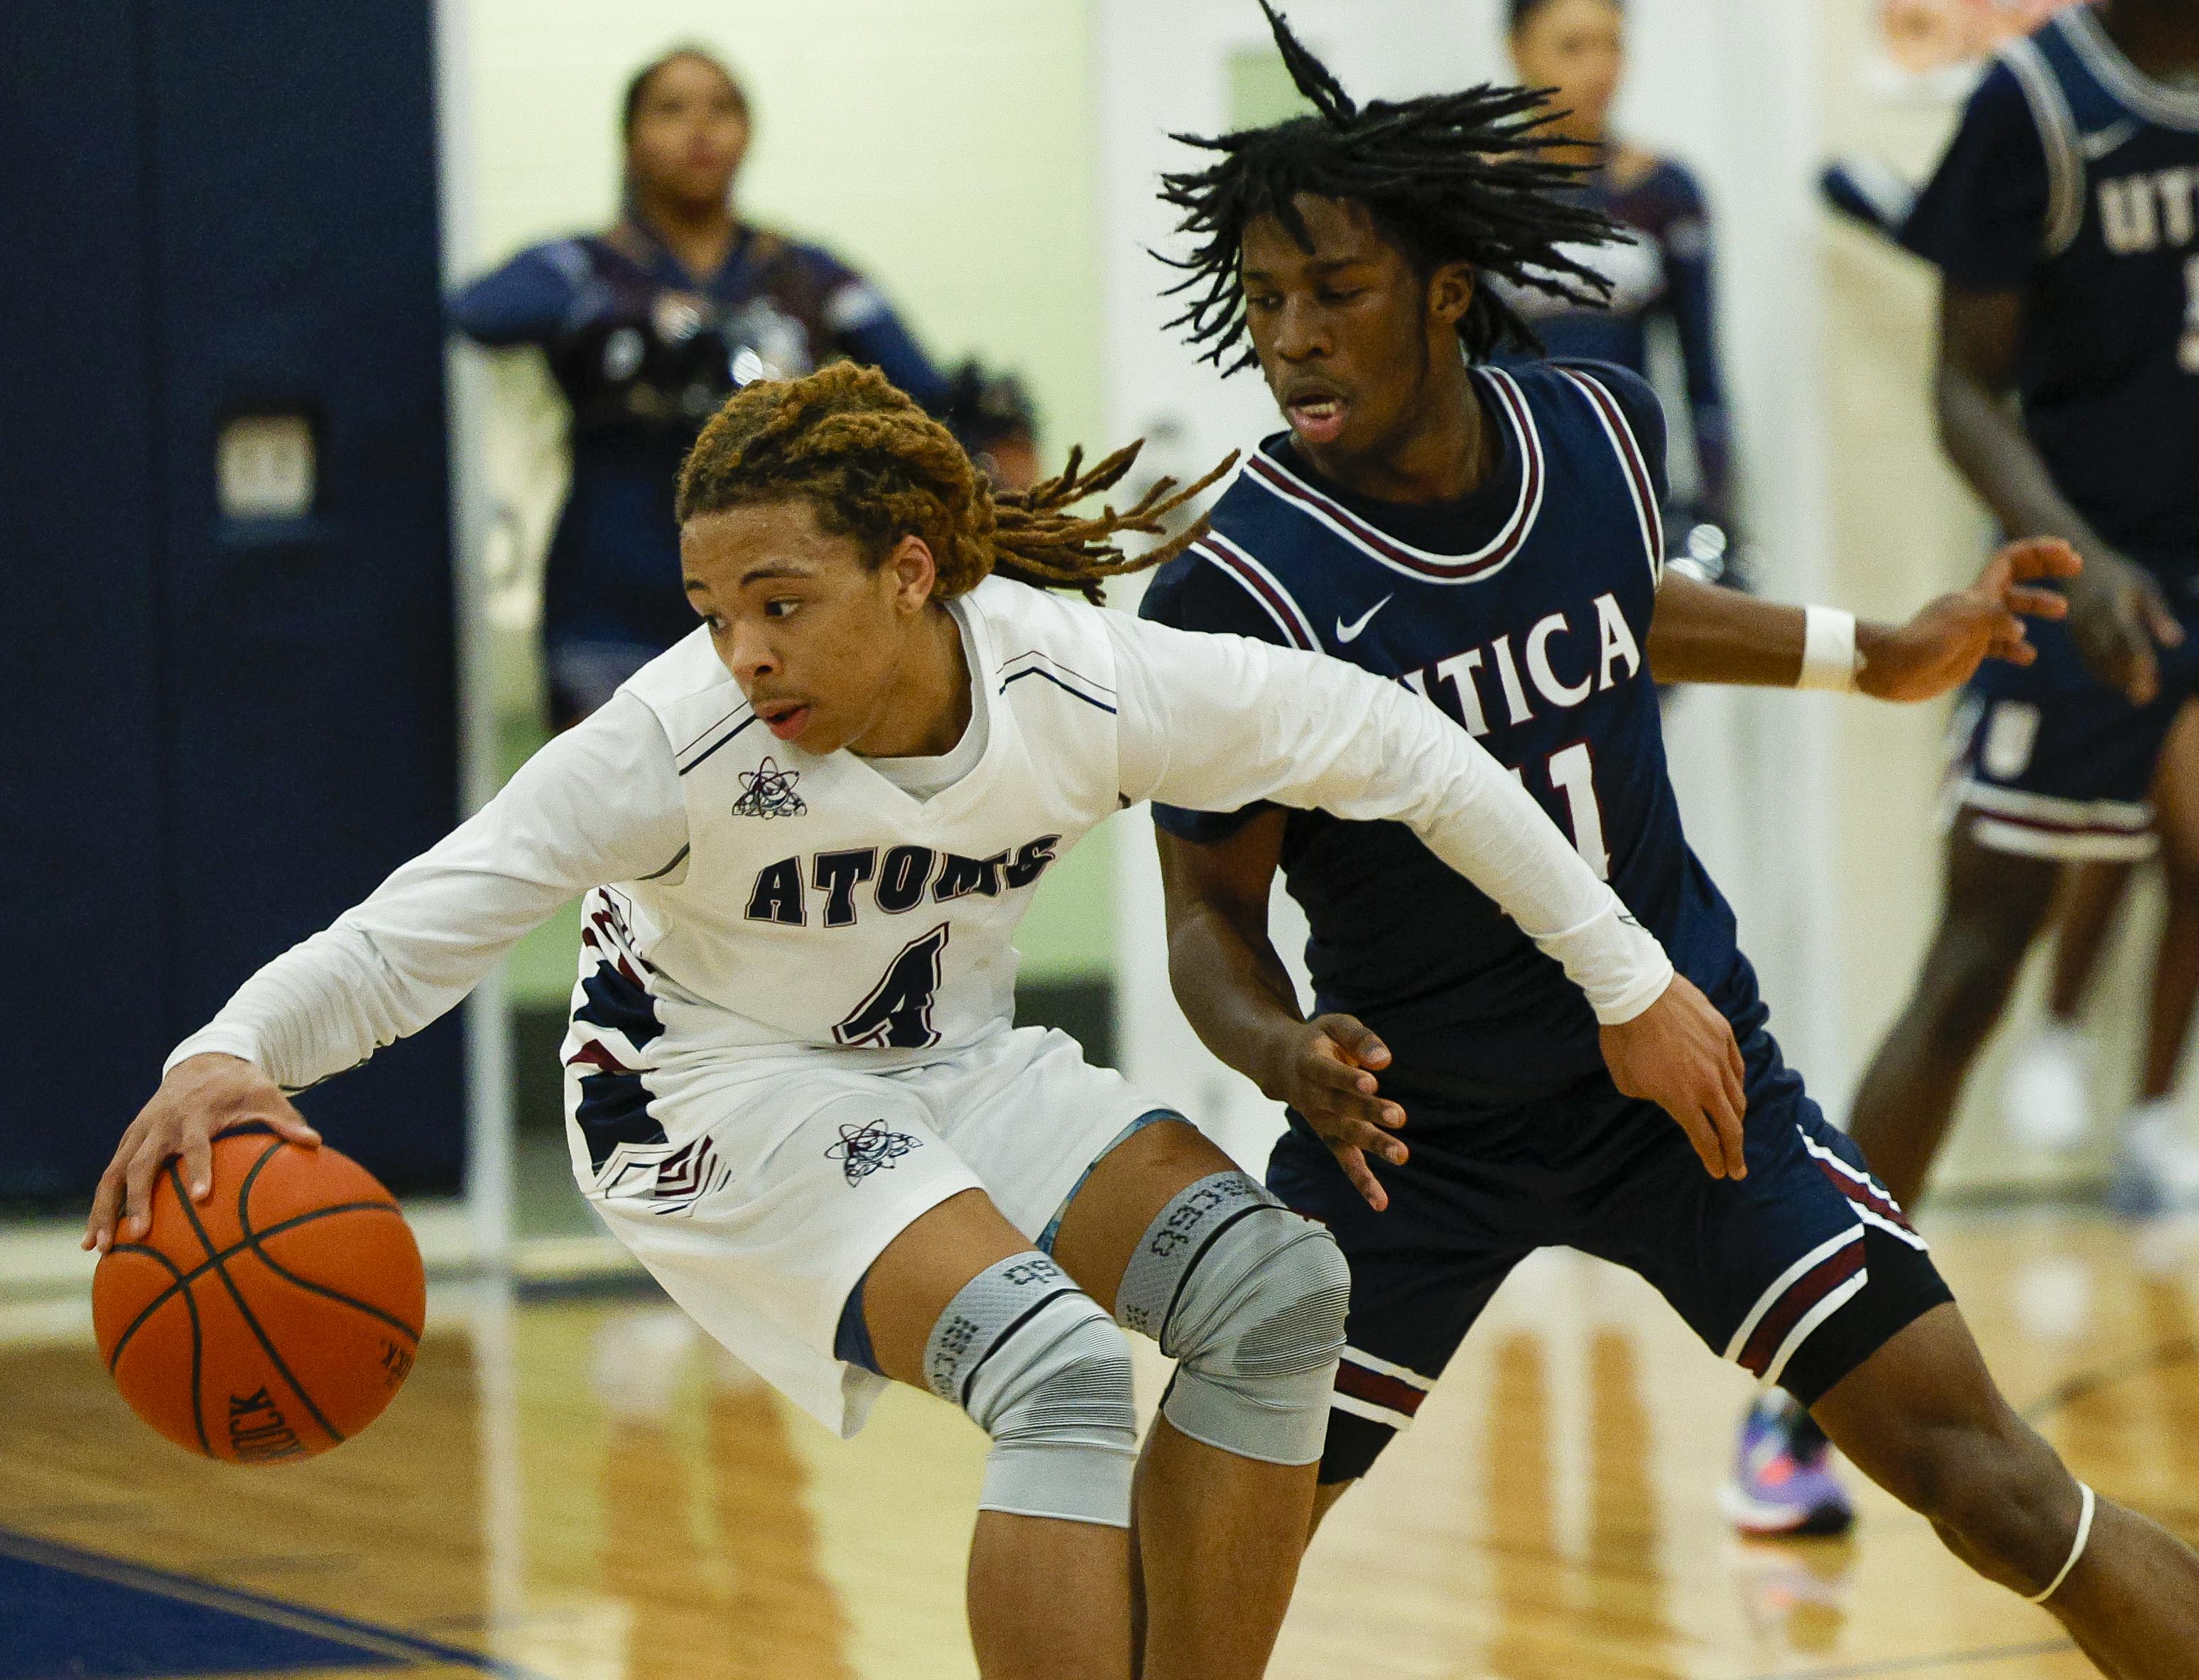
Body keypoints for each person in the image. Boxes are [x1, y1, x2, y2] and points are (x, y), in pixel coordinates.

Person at [84, 362, 1744, 1680]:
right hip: (702, 1093)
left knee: (1277, 1289)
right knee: (1062, 1373)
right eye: (710, 607)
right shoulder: (667, 739)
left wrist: (1631, 976)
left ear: (911, 569)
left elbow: (1398, 745)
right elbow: (409, 934)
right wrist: (225, 1058)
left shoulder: (1079, 683)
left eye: (781, 603)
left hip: (943, 1061)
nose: (738, 650)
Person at [1141, 4, 2199, 1665]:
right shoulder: (1235, 587)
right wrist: (1281, 1050)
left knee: (1996, 1491)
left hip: (1682, 1078)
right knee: (1180, 1610)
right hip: (1408, 1137)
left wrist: (1875, 653)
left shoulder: (1593, 426)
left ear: (1438, 290)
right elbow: (1204, 917)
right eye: (1263, 301)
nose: (1289, 338)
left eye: (1331, 292)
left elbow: (1633, 608)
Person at [1830, 0, 2199, 1228]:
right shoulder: (2033, 105)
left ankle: (2145, 1112)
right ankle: (1824, 1361)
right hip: (2090, 575)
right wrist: (2080, 559)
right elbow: (1964, 390)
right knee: (1973, 964)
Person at [449, 47, 951, 727]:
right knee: (620, 820)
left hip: (776, 610)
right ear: (630, 138)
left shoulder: (800, 273)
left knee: (776, 820)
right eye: (671, 109)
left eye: (723, 108)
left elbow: (927, 391)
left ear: (749, 132)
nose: (700, 130)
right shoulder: (586, 266)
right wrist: (628, 321)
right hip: (611, 603)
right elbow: (477, 313)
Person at [1499, 0, 1738, 585]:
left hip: (1629, 496)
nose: (1600, 69)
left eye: (1613, 45)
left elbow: (1702, 377)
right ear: (1518, 51)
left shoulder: (1663, 192)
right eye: (1572, 47)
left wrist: (1720, 519)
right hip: (1503, 500)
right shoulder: (1473, 198)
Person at [2002, 700, 2199, 1197]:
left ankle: (2153, 1112)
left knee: (2193, 861)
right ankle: (2057, 1028)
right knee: (2119, 822)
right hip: (2130, 639)